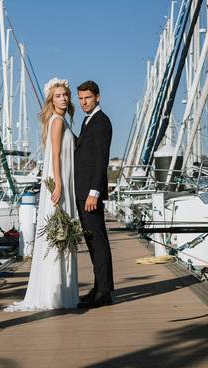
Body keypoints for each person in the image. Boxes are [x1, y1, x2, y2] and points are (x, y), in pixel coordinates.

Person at [4, 78, 80, 311]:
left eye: (65, 94)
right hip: (60, 184)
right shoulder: (57, 122)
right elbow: (55, 156)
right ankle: (56, 293)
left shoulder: (61, 121)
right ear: (51, 100)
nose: (63, 98)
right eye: (58, 95)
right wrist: (58, 185)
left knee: (60, 236)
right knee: (59, 236)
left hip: (63, 182)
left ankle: (60, 290)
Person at [74, 80, 114, 308]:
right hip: (83, 191)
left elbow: (101, 161)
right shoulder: (87, 121)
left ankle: (105, 293)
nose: (83, 103)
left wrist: (94, 192)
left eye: (87, 98)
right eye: (80, 99)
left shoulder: (101, 122)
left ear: (97, 97)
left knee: (98, 241)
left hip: (90, 193)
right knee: (91, 241)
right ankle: (99, 287)